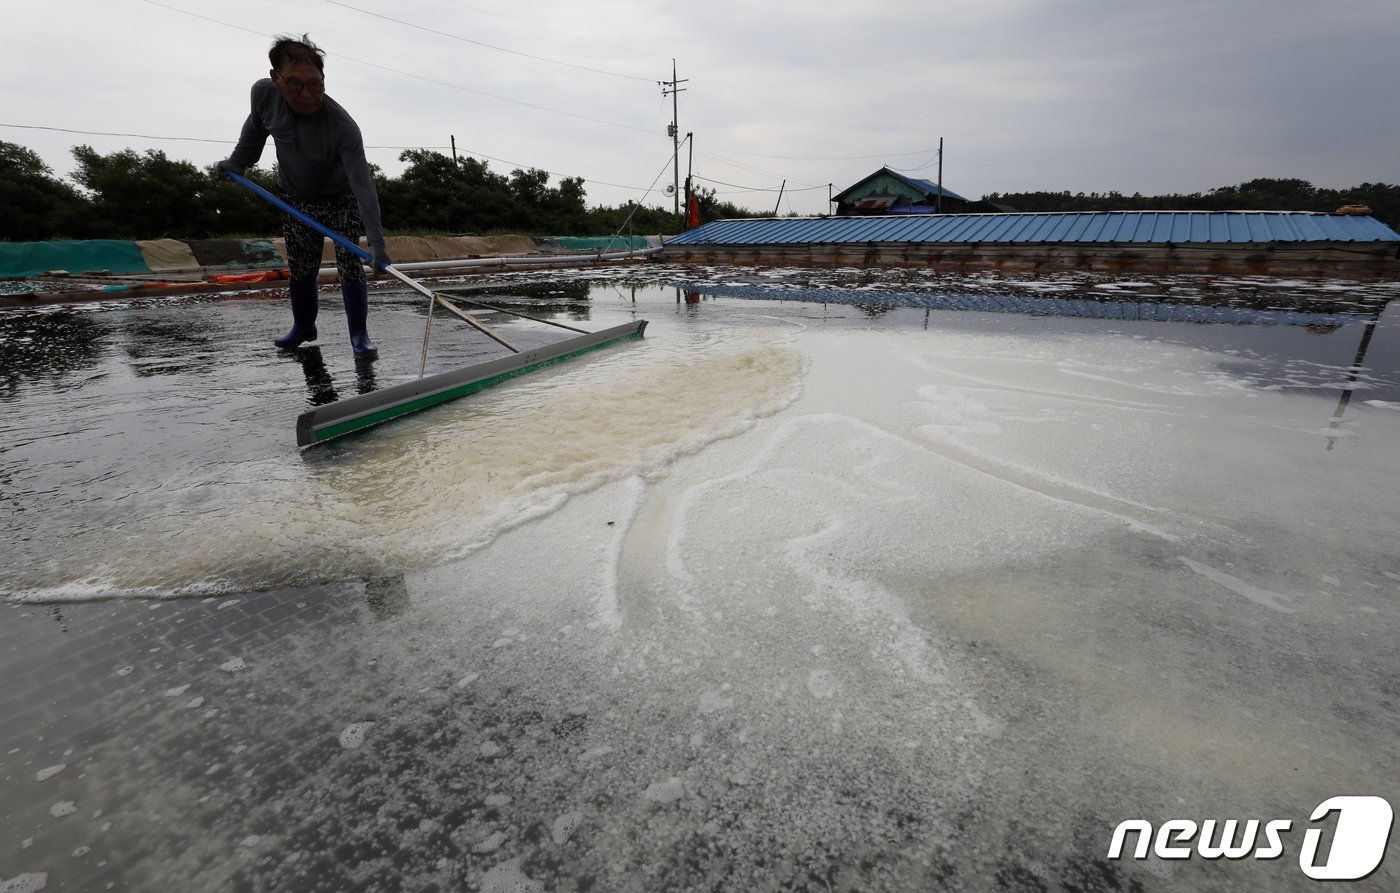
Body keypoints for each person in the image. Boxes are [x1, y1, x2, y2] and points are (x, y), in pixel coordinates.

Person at [217, 33, 389, 359]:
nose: (307, 94)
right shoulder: (263, 95)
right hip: (294, 197)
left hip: (341, 197)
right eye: (296, 84)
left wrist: (377, 243)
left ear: (324, 80)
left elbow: (363, 183)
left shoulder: (343, 128)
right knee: (301, 266)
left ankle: (359, 335)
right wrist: (238, 162)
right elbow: (255, 131)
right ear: (276, 79)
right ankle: (303, 326)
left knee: (350, 264)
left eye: (316, 84)